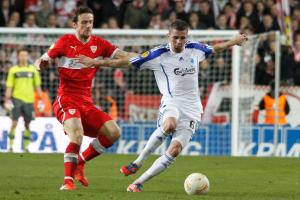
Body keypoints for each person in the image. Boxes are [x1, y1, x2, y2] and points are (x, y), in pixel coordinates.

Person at [76, 19, 248, 192]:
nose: (179, 42)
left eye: (182, 38)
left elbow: (215, 48)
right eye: (175, 38)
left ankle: (137, 183)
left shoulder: (195, 49)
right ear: (169, 36)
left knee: (174, 150)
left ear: (186, 36)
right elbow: (127, 63)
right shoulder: (157, 54)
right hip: (171, 101)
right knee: (169, 124)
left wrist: (234, 41)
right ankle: (138, 162)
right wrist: (96, 62)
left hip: (193, 109)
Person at [34, 6, 136, 191]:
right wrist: (41, 64)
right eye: (84, 22)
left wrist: (146, 57)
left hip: (86, 102)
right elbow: (42, 60)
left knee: (114, 133)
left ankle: (80, 162)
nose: (88, 26)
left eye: (91, 22)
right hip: (66, 100)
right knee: (77, 134)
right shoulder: (64, 42)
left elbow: (125, 57)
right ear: (75, 24)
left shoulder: (100, 44)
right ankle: (67, 181)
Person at [4, 48, 42, 152]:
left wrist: (41, 99)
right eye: (21, 55)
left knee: (27, 124)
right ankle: (10, 146)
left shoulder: (33, 70)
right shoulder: (13, 70)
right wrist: (7, 100)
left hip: (29, 100)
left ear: (27, 56)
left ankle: (26, 147)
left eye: (25, 55)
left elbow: (37, 86)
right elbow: (9, 86)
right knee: (14, 123)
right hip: (16, 99)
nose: (23, 57)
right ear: (18, 56)